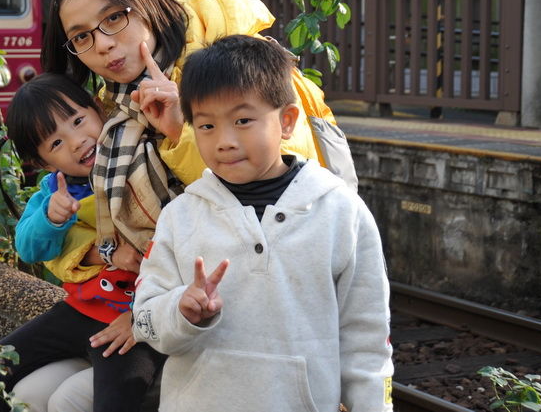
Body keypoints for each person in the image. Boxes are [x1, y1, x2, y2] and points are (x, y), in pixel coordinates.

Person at [20, 0, 358, 408]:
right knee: (23, 392)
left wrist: (182, 130)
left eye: (114, 18)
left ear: (147, 0)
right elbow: (97, 235)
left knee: (64, 401)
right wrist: (100, 256)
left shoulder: (239, 68)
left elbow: (271, 211)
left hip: (249, 319)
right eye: (82, 36)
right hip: (172, 307)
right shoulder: (114, 107)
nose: (101, 44)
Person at [132, 34, 393, 411]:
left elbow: (367, 341)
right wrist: (180, 311)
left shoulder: (341, 213)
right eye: (206, 126)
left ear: (286, 121)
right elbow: (144, 320)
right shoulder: (180, 216)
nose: (224, 141)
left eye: (242, 120)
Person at [0, 73, 165, 412]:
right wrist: (51, 219)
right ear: (42, 163)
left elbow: (169, 239)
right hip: (80, 311)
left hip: (131, 319)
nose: (77, 141)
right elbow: (29, 247)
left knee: (115, 400)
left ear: (98, 109)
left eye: (78, 121)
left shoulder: (138, 166)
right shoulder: (54, 191)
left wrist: (140, 316)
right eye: (55, 144)